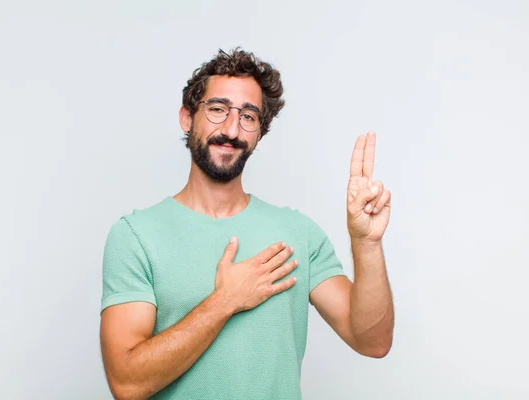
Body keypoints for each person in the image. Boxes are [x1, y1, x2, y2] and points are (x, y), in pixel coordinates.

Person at [99, 48, 394, 400]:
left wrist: (367, 242)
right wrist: (226, 301)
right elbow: (126, 383)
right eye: (217, 109)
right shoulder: (136, 236)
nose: (231, 129)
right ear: (187, 117)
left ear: (260, 133)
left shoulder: (298, 233)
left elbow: (373, 341)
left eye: (248, 117)